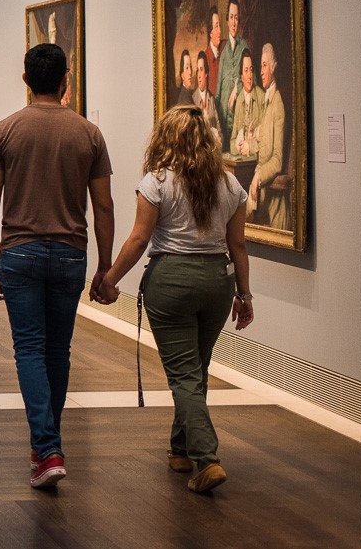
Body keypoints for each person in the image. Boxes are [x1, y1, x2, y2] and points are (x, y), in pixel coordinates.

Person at [97, 105, 253, 494]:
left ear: (165, 138)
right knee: (195, 369)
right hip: (217, 282)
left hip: (171, 282)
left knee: (184, 374)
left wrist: (108, 280)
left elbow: (138, 239)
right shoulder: (230, 185)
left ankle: (207, 460)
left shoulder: (158, 181)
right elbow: (239, 246)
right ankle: (181, 449)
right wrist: (244, 294)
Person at [0, 44, 114, 490]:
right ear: (65, 80)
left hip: (18, 252)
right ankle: (46, 446)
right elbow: (104, 206)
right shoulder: (89, 134)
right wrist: (106, 266)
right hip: (71, 254)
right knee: (58, 351)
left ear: (25, 79)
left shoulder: (4, 131)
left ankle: (47, 446)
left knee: (31, 351)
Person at [250, 44, 289, 231]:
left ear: (273, 68)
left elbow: (277, 160)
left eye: (265, 65)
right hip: (263, 197)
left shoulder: (277, 103)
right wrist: (252, 142)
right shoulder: (267, 102)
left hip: (275, 208)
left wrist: (258, 176)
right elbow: (264, 145)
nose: (262, 71)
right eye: (261, 66)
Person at [216, 0, 249, 148]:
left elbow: (250, 81)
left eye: (236, 17)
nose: (234, 22)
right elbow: (218, 91)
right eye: (231, 17)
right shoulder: (223, 54)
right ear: (227, 20)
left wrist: (237, 89)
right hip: (222, 121)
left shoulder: (245, 48)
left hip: (238, 120)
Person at [228, 50, 262, 157]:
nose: (249, 75)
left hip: (258, 163)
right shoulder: (239, 101)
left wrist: (250, 147)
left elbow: (268, 141)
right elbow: (232, 142)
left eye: (251, 70)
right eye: (246, 71)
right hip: (243, 163)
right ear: (241, 76)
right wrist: (239, 146)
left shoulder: (261, 97)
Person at [191, 52, 221, 137]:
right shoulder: (192, 100)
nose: (199, 75)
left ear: (206, 73)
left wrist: (219, 138)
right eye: (197, 71)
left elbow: (219, 130)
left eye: (201, 70)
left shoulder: (212, 99)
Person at [206, 6, 223, 96]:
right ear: (210, 32)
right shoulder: (205, 59)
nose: (220, 30)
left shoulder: (225, 47)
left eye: (219, 26)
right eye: (216, 26)